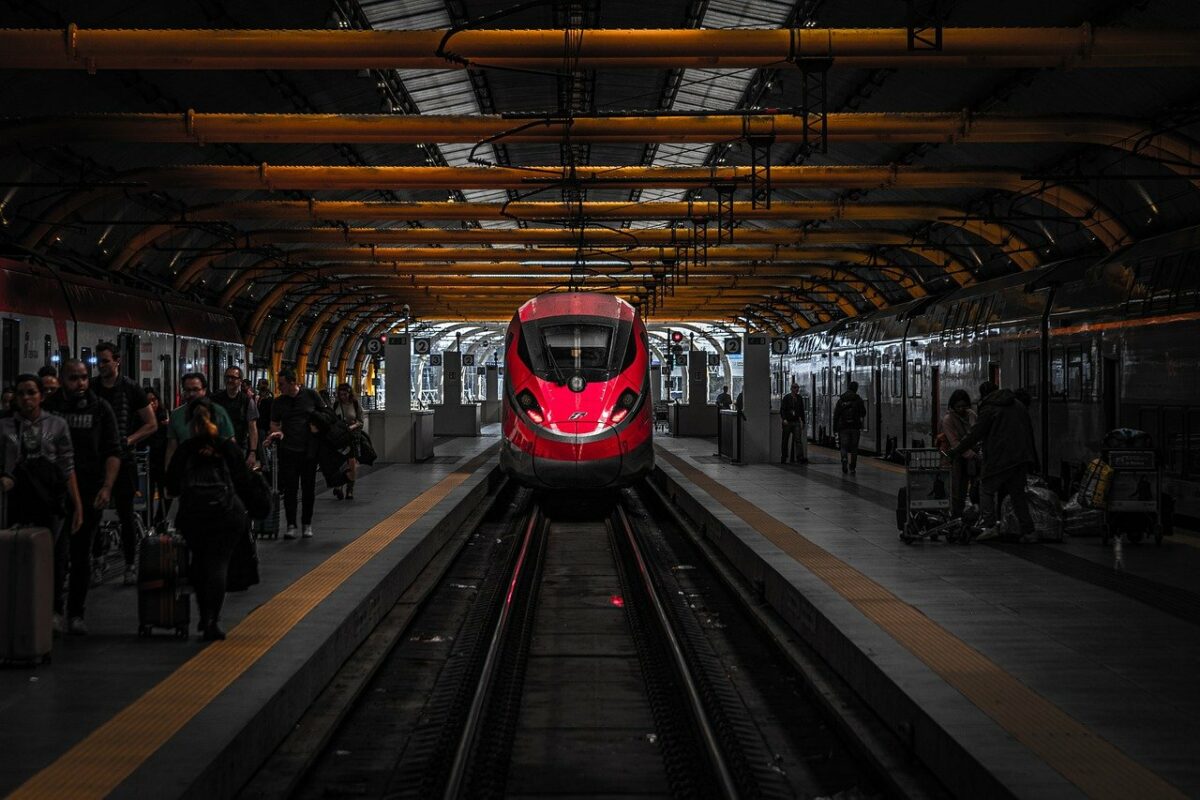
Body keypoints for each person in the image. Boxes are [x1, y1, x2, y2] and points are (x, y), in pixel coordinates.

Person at [165, 397, 255, 641]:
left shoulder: (186, 449)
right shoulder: (227, 447)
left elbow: (171, 485)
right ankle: (212, 620)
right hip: (226, 514)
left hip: (193, 515)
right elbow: (245, 482)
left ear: (189, 423)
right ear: (217, 420)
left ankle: (203, 614)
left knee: (198, 562)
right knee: (219, 564)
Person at [1, 375, 84, 636]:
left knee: (53, 557)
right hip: (14, 499)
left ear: (41, 396)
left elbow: (67, 465)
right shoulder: (4, 427)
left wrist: (77, 504)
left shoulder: (57, 425)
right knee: (14, 556)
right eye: (21, 393)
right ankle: (17, 611)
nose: (26, 398)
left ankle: (53, 610)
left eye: (31, 393)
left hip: (50, 499)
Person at [44, 359, 121, 635]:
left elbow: (113, 450)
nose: (81, 383)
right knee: (56, 554)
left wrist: (107, 487)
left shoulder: (100, 409)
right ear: (62, 379)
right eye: (74, 378)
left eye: (85, 377)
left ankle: (75, 613)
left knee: (81, 554)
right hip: (53, 492)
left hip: (89, 490)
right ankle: (53, 610)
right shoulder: (50, 408)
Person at [92, 342, 157, 585]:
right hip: (97, 460)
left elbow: (151, 423)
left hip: (124, 460)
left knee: (126, 514)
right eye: (98, 362)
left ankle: (130, 564)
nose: (101, 366)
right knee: (93, 514)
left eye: (105, 361)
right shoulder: (92, 388)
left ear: (117, 361)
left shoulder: (131, 389)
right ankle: (98, 560)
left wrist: (129, 440)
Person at [948, 382, 1038, 542]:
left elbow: (975, 433)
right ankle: (1029, 531)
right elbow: (1029, 431)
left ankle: (990, 526)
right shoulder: (1018, 404)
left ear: (984, 395)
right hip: (1021, 458)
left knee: (986, 489)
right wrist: (1032, 458)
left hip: (1000, 458)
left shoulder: (989, 407)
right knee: (1018, 495)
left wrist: (956, 451)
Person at [267, 368, 328, 539]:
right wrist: (276, 432)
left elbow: (326, 414)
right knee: (291, 490)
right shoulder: (278, 402)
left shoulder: (311, 395)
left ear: (293, 382)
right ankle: (291, 524)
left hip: (309, 452)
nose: (279, 388)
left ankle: (307, 523)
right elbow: (274, 423)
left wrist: (317, 426)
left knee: (308, 489)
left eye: (282, 384)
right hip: (287, 451)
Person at [165, 372, 236, 469]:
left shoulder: (219, 412)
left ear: (204, 390)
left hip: (214, 470)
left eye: (196, 389)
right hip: (187, 471)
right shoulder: (176, 415)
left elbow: (230, 444)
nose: (191, 394)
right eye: (187, 390)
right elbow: (172, 447)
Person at [211, 365, 259, 469]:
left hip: (239, 447)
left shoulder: (247, 401)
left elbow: (252, 427)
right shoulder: (216, 400)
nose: (229, 380)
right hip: (219, 448)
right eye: (227, 377)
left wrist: (253, 452)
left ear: (240, 381)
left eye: (233, 377)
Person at [939, 389, 978, 519]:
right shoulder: (948, 420)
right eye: (958, 406)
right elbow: (954, 443)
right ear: (953, 406)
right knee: (954, 489)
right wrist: (972, 454)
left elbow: (976, 433)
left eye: (964, 406)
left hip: (968, 458)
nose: (961, 409)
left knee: (964, 489)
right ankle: (953, 516)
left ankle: (960, 515)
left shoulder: (971, 415)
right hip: (953, 459)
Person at [143, 387, 172, 526]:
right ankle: (145, 521)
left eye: (154, 400)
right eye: (147, 401)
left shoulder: (165, 419)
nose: (152, 404)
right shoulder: (139, 420)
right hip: (145, 463)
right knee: (144, 494)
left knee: (165, 493)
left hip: (161, 462)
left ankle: (160, 519)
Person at [332, 382, 364, 500]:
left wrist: (352, 426)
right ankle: (339, 486)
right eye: (340, 394)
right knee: (340, 463)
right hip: (339, 438)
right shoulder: (336, 405)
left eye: (345, 394)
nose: (343, 397)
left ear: (350, 393)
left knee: (351, 463)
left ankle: (349, 489)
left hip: (352, 437)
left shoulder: (355, 404)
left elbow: (361, 420)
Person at [833, 380, 867, 474]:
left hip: (843, 427)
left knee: (843, 446)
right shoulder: (858, 399)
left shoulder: (841, 399)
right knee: (854, 448)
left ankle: (844, 459)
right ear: (856, 389)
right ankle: (852, 467)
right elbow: (863, 412)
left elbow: (836, 415)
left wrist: (835, 428)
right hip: (855, 427)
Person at [780, 383, 808, 464]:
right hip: (788, 422)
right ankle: (784, 456)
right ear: (791, 389)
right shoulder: (786, 398)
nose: (797, 389)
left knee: (798, 440)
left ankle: (800, 457)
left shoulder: (799, 398)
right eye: (795, 388)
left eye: (797, 388)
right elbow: (782, 409)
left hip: (796, 422)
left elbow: (801, 410)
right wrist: (784, 419)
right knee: (785, 440)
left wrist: (802, 421)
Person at [254, 378, 274, 453]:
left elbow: (271, 413)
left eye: (260, 384)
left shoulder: (269, 397)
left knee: (263, 445)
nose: (258, 385)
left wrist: (269, 428)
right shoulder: (258, 397)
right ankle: (264, 462)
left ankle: (266, 463)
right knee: (261, 445)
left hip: (265, 425)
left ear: (265, 385)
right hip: (259, 424)